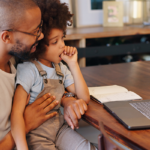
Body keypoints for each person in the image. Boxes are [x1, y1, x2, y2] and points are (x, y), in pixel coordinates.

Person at [11, 0, 97, 150]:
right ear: (38, 45)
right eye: (55, 41)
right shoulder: (28, 70)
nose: (62, 45)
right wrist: (22, 147)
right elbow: (16, 113)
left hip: (60, 130)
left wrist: (73, 64)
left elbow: (84, 97)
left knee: (89, 148)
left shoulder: (61, 68)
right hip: (37, 136)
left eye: (62, 38)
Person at [0, 0, 59, 150]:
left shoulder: (13, 61)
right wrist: (25, 124)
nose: (41, 36)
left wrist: (69, 99)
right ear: (6, 37)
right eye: (35, 32)